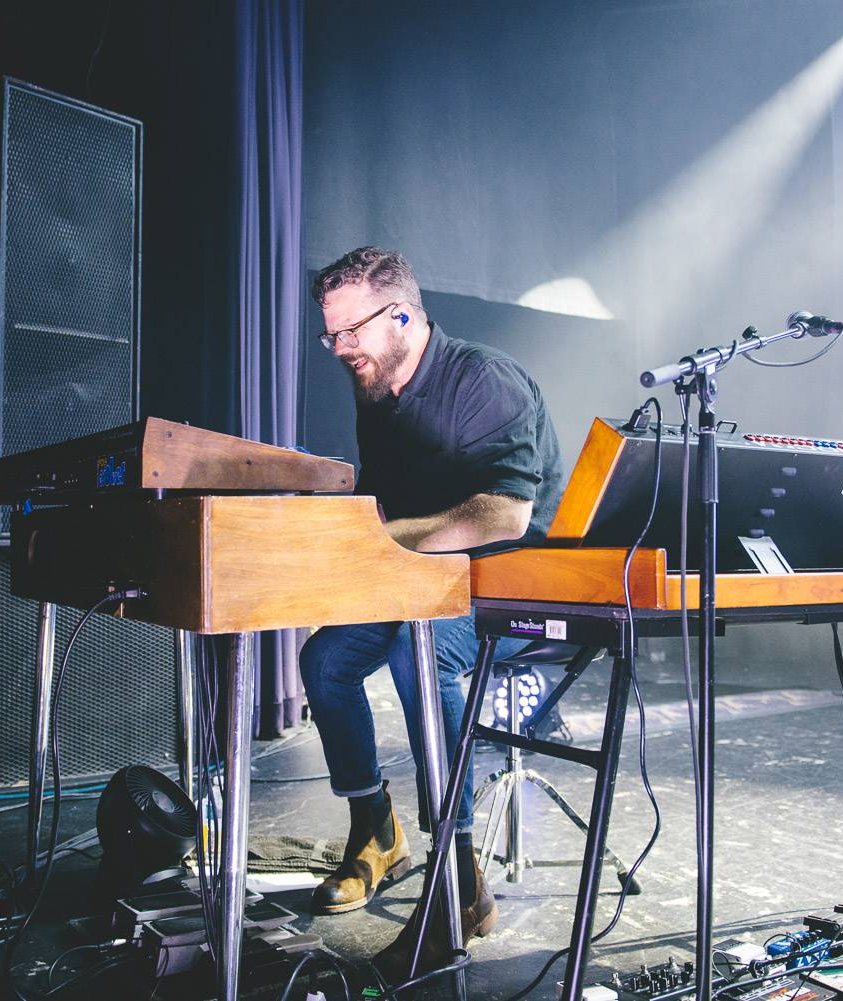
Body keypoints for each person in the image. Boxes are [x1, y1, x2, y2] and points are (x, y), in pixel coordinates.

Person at [298, 246, 564, 977]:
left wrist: (377, 542)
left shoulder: (484, 380)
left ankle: (460, 871)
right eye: (331, 334)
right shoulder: (375, 387)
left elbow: (505, 514)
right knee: (323, 661)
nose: (340, 348)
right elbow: (388, 502)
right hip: (427, 578)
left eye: (351, 330)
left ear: (402, 316)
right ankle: (376, 832)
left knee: (423, 654)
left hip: (515, 584)